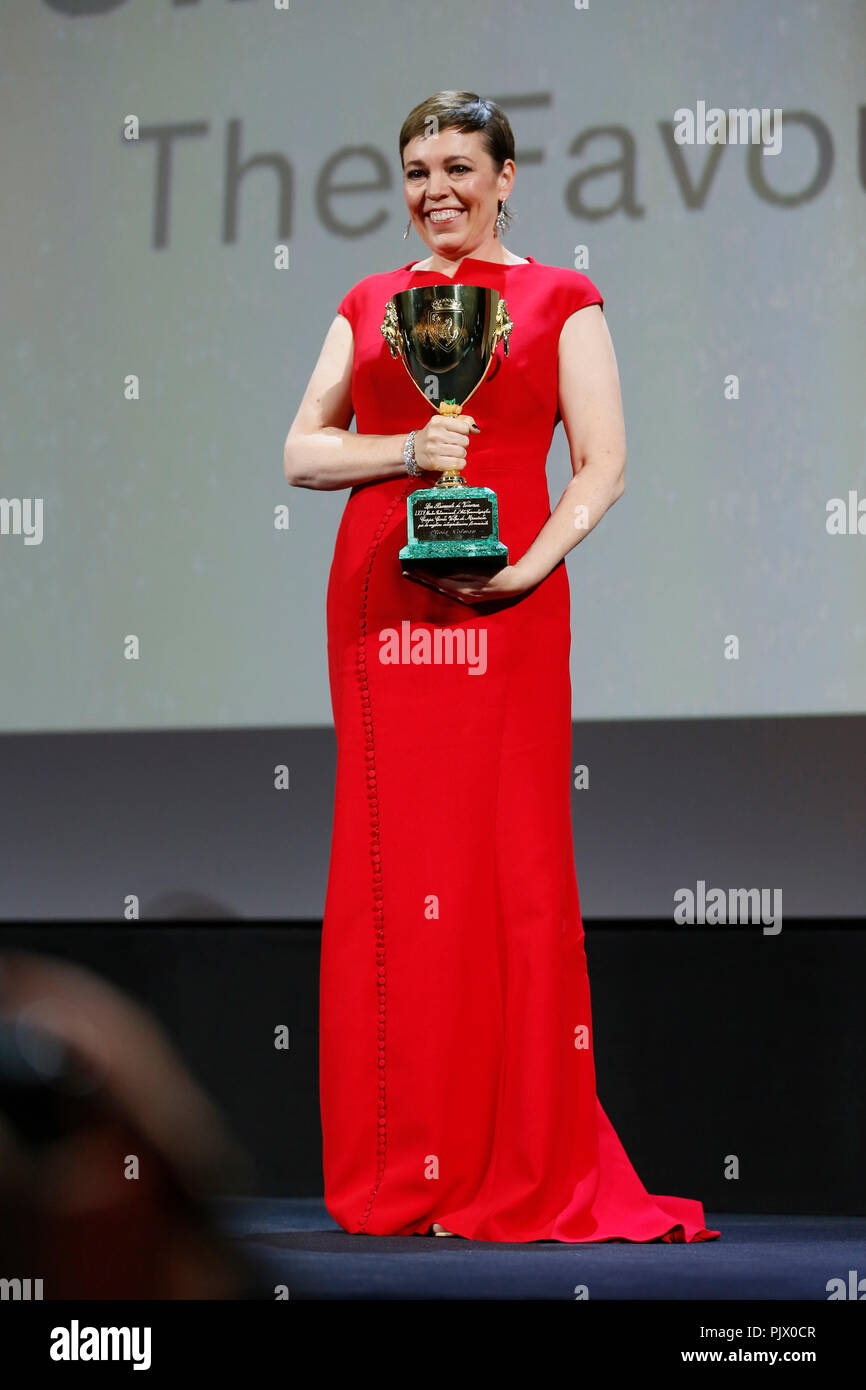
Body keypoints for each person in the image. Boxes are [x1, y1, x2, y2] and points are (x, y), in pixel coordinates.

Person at [285, 91, 719, 1243]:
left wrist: (525, 568)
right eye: (417, 167)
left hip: (508, 607)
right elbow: (299, 450)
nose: (436, 187)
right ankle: (398, 1176)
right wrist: (402, 448)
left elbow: (605, 463)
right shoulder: (372, 303)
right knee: (393, 873)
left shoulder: (558, 299)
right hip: (383, 610)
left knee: (509, 874)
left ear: (506, 175)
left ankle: (512, 1167)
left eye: (459, 165)